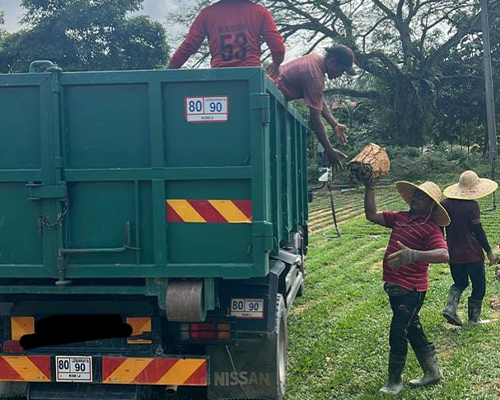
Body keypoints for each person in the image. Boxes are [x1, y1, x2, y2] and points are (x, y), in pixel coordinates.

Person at [364, 179, 450, 395]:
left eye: (422, 197)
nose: (417, 198)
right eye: (416, 194)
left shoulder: (430, 229)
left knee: (398, 331)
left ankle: (394, 381)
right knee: (412, 328)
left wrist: (413, 255)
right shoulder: (400, 218)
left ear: (431, 205)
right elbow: (371, 214)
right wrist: (370, 187)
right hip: (395, 287)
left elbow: (444, 254)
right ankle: (432, 372)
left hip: (412, 289)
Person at [272, 45, 357, 171]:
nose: (341, 75)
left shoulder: (315, 60)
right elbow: (315, 121)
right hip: (269, 97)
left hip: (272, 96)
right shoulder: (315, 75)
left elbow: (317, 98)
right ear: (333, 62)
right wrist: (329, 151)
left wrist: (334, 124)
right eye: (342, 70)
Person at [441, 170, 498, 326]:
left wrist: (442, 247)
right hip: (472, 254)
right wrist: (488, 251)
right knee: (479, 287)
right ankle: (474, 320)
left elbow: (439, 228)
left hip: (453, 254)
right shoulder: (472, 206)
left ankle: (450, 308)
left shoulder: (444, 204)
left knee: (460, 283)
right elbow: (478, 231)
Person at [168, 0, 285, 75]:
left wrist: (167, 71)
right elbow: (278, 49)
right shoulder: (260, 12)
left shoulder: (207, 14)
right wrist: (276, 64)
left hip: (219, 79)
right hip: (251, 78)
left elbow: (188, 46)